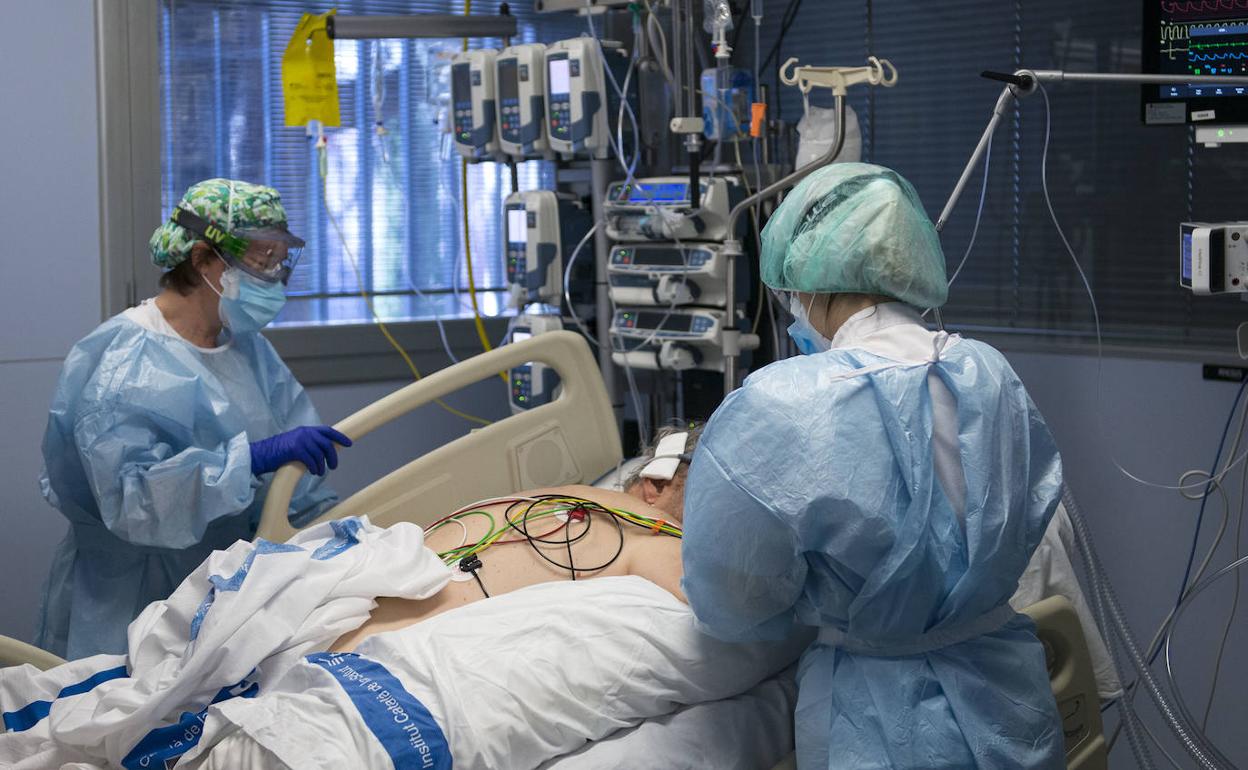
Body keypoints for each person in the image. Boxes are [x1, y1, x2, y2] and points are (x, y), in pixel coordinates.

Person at [680, 163, 1067, 768]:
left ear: (813, 279)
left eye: (791, 293)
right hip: (1009, 701)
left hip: (879, 721)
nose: (792, 309)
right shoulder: (989, 373)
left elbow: (734, 600)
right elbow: (1032, 510)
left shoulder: (784, 404)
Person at [37, 179, 351, 659]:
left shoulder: (246, 349)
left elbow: (295, 485)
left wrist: (330, 536)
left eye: (279, 260)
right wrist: (248, 461)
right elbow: (132, 502)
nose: (273, 277)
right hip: (134, 597)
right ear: (204, 259)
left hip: (230, 589)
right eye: (260, 260)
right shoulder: (126, 360)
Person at [330, 424, 701, 652]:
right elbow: (716, 613)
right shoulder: (651, 529)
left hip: (338, 602)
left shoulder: (563, 495)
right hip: (363, 652)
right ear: (657, 485)